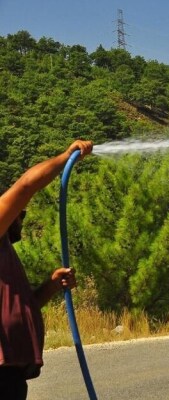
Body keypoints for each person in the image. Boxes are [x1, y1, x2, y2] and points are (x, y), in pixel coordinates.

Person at [0, 140, 93, 399]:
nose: (22, 217)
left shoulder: (5, 253)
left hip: (11, 374)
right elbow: (26, 186)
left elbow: (19, 307)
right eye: (21, 213)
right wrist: (66, 156)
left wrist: (51, 286)